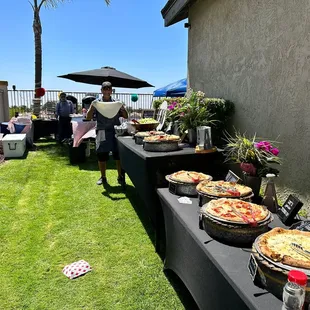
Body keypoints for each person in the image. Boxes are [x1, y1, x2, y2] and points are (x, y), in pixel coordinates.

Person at [86, 81, 128, 185]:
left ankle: (120, 176)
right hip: (102, 130)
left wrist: (122, 108)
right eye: (105, 89)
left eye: (109, 89)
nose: (107, 91)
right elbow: (88, 117)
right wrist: (92, 107)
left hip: (115, 131)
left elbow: (126, 116)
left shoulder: (117, 102)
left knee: (118, 155)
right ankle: (103, 177)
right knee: (101, 154)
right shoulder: (97, 102)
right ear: (101, 91)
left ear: (111, 91)